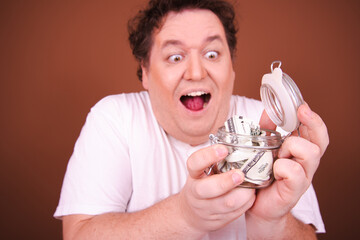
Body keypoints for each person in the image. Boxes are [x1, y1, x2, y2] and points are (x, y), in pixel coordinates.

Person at [54, 0, 329, 239]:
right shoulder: (114, 119)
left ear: (231, 68)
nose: (196, 73)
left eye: (212, 54)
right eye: (175, 57)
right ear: (146, 72)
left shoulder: (269, 129)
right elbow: (79, 234)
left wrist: (271, 223)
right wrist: (185, 217)